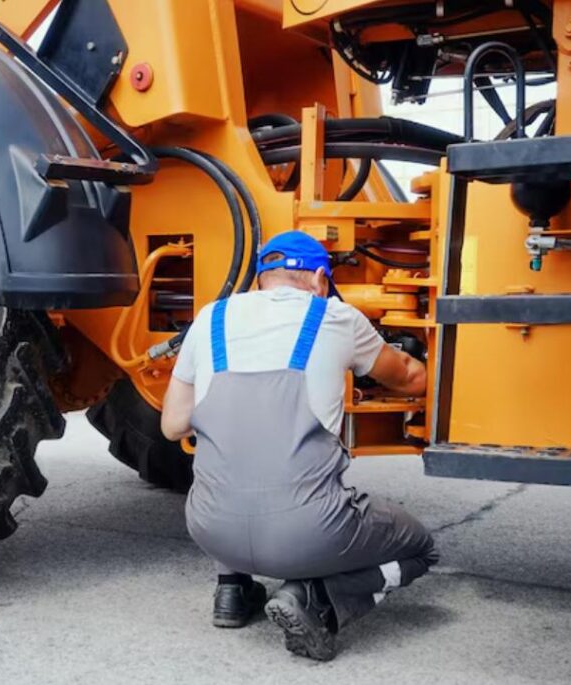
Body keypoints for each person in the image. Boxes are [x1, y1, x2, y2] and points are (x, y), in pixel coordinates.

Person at [160, 231, 439, 661]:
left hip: (210, 530)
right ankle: (317, 597)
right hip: (308, 534)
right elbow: (408, 377)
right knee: (422, 549)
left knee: (241, 452)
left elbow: (172, 425)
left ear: (261, 280)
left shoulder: (210, 318)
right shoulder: (334, 316)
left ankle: (231, 591)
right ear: (320, 280)